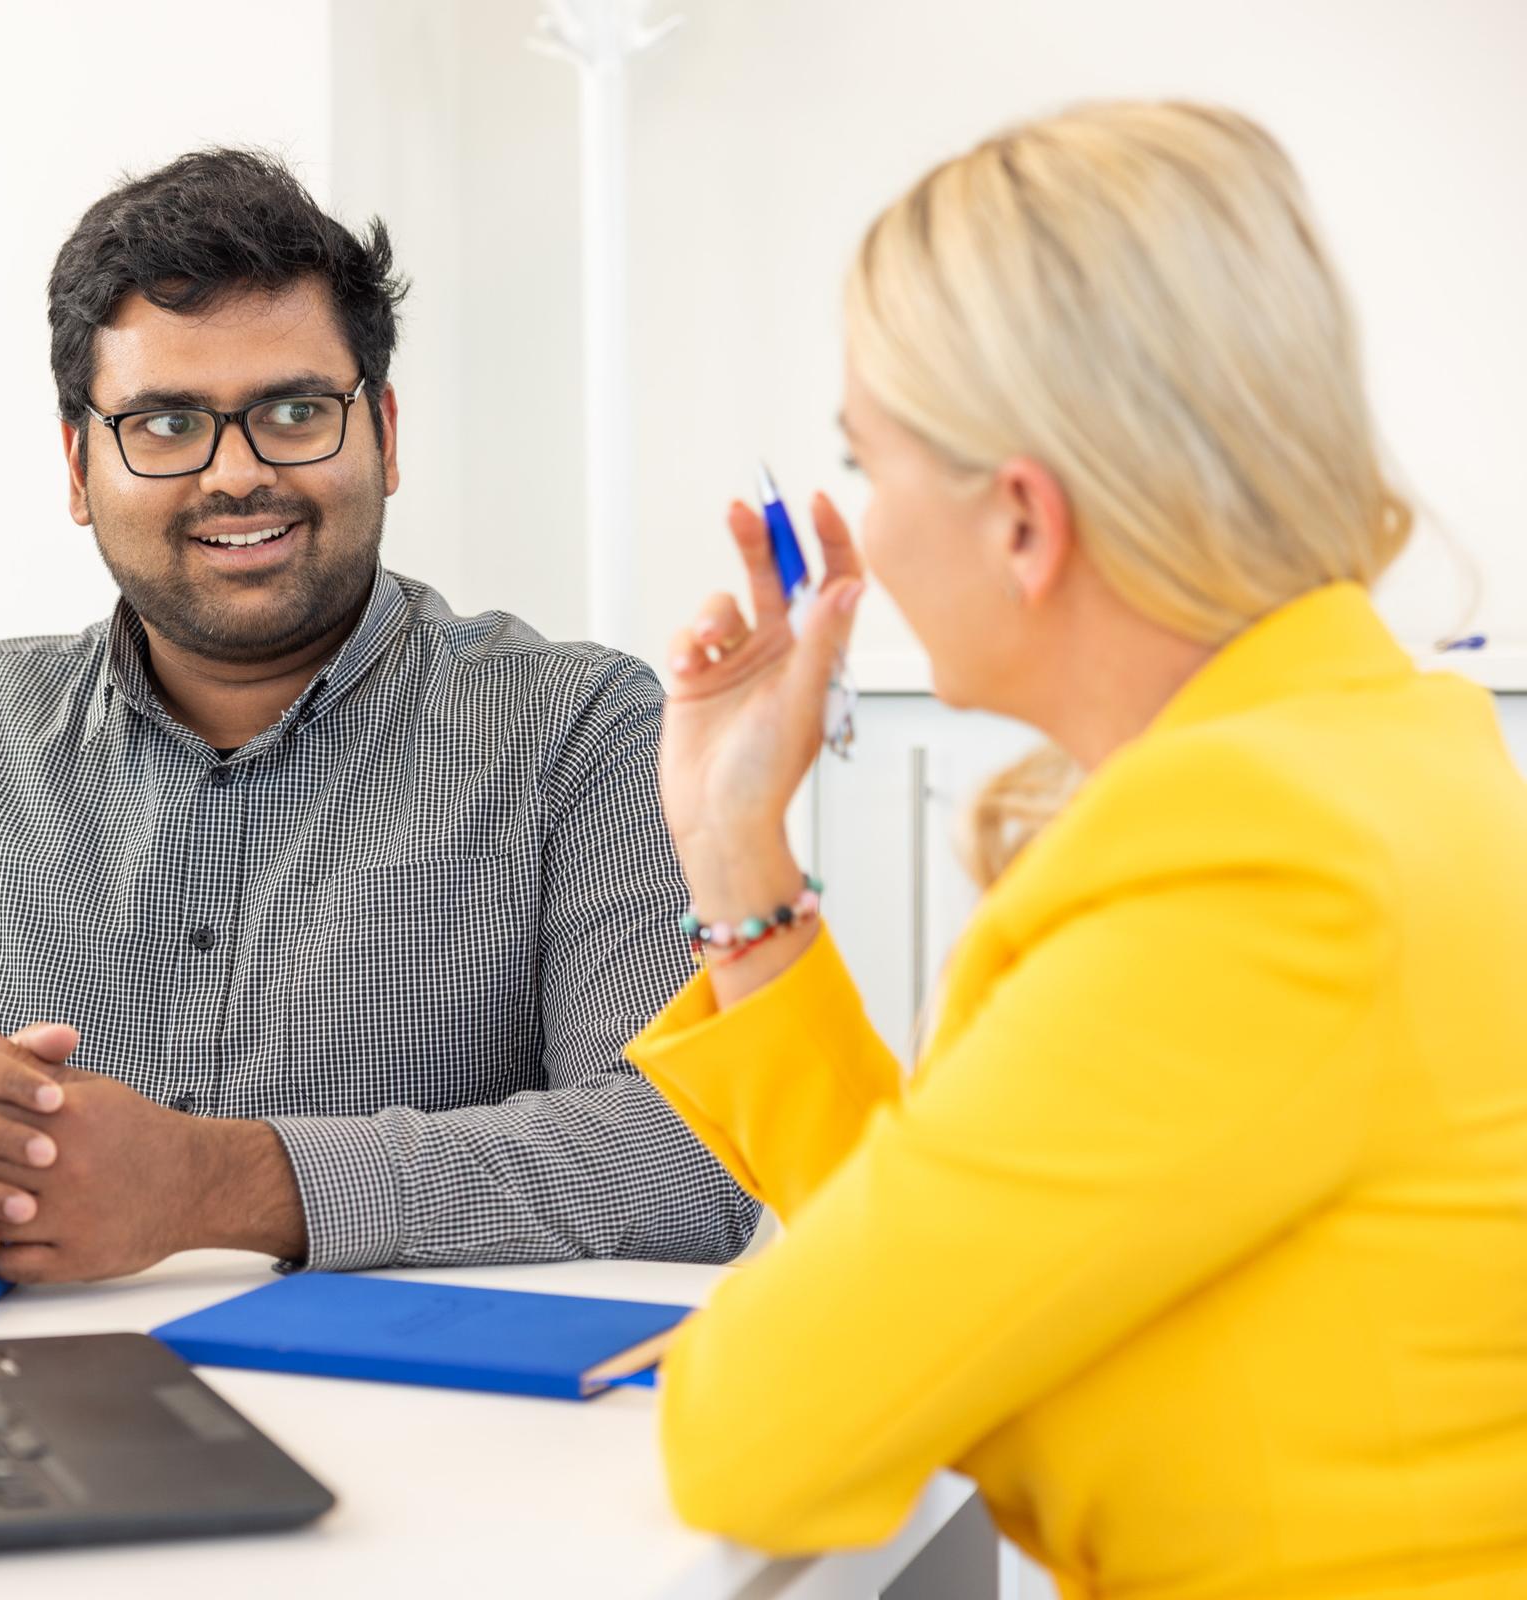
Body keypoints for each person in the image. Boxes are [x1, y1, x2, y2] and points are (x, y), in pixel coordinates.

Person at [630, 102, 1527, 1595]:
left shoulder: (1243, 865)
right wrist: (739, 859)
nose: (857, 526)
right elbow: (961, 1273)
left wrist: (779, 1341)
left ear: (1025, 523)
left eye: (869, 463)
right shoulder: (1392, 751)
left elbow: (766, 1426)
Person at [0, 148, 757, 1282]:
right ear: (80, 467)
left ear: (387, 435)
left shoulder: (585, 732)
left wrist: (216, 1185)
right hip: (16, 1415)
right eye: (166, 423)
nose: (235, 474)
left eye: (292, 410)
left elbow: (682, 1154)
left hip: (417, 1435)